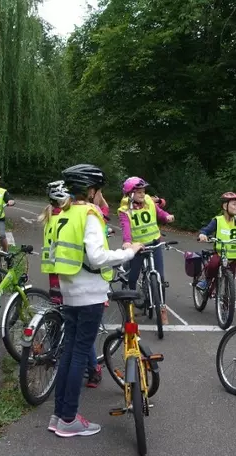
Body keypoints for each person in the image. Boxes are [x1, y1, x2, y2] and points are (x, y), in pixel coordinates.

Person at [48, 164, 142, 438]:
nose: (101, 197)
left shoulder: (63, 213)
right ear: (91, 191)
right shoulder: (89, 214)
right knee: (79, 354)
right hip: (89, 292)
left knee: (69, 352)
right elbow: (97, 257)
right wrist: (129, 252)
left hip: (70, 289)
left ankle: (59, 415)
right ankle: (68, 419)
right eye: (100, 191)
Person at [38, 180, 103, 388]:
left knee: (61, 320)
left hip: (55, 278)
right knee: (82, 332)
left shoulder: (49, 218)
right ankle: (93, 370)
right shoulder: (68, 217)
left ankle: (53, 356)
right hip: (71, 276)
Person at [118, 176, 174, 321]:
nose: (142, 194)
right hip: (138, 247)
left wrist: (166, 216)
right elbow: (126, 229)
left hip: (154, 242)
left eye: (143, 191)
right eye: (138, 192)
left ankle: (162, 308)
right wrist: (128, 242)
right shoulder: (124, 210)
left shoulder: (149, 201)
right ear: (130, 194)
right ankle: (129, 304)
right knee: (133, 277)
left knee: (160, 277)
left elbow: (159, 212)